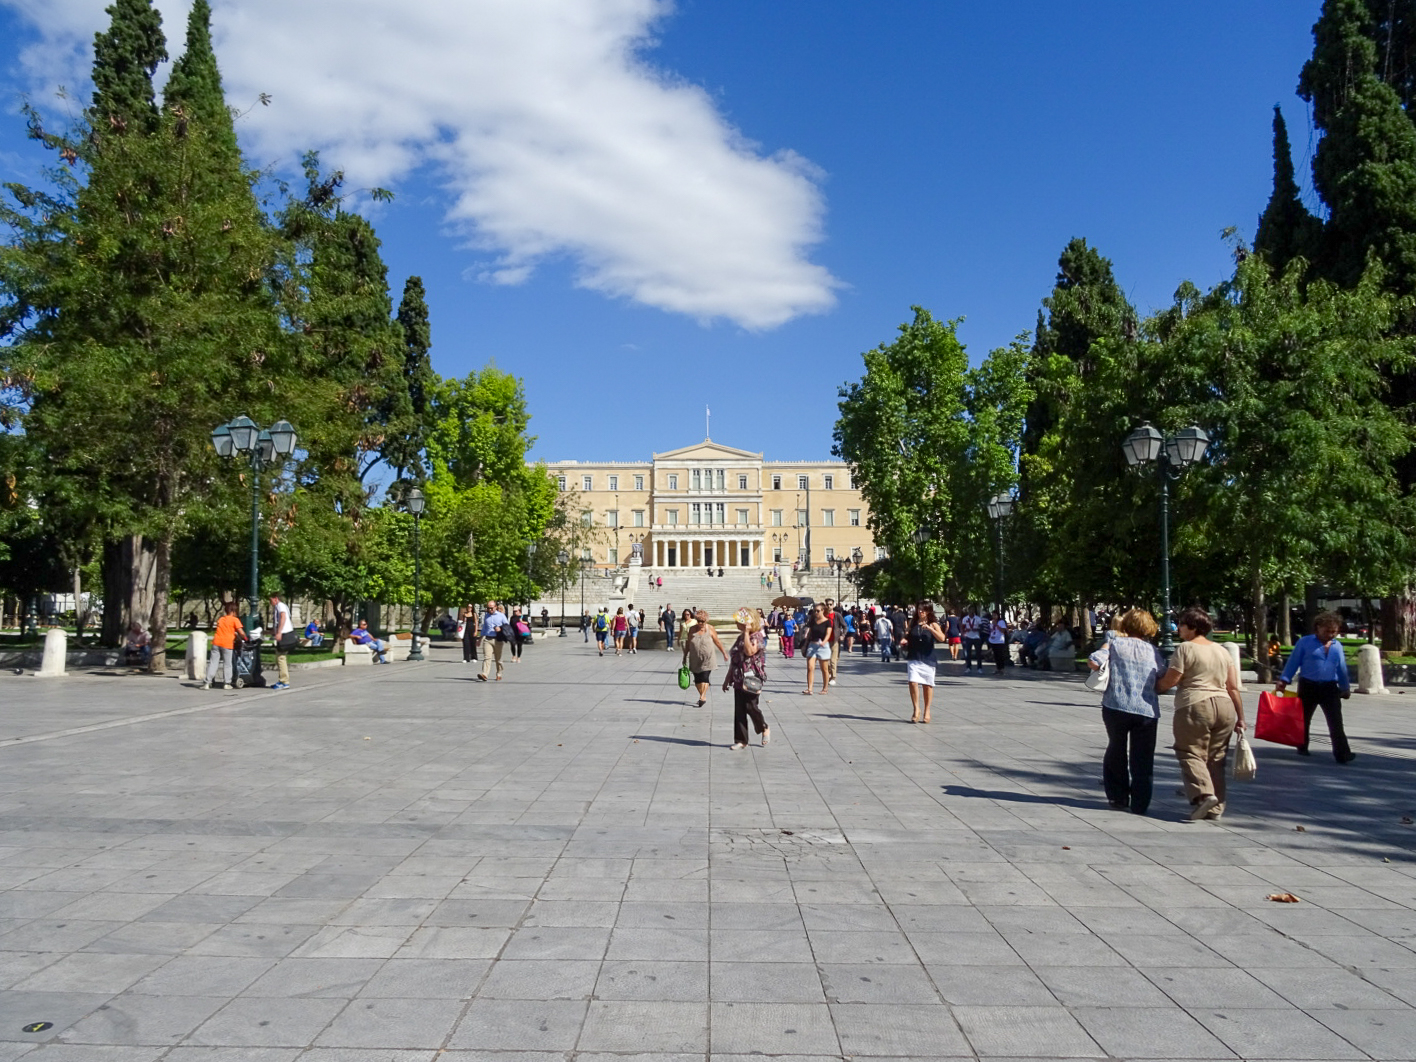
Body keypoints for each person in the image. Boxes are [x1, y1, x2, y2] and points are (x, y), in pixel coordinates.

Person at [1156, 606, 1246, 820]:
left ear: (1193, 628)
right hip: (1224, 705)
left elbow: (1172, 680)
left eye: (1182, 625)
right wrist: (1241, 716)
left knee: (1189, 751)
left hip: (1195, 704)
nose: (1178, 629)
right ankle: (1216, 808)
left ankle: (1204, 794)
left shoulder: (1186, 648)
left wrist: (1156, 687)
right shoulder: (1222, 651)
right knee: (1216, 757)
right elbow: (1233, 686)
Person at [1088, 609, 1167, 815]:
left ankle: (1118, 796)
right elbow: (1162, 676)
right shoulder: (1153, 651)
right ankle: (1141, 802)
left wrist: (1106, 644)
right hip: (1146, 710)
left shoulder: (1115, 644)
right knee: (1143, 757)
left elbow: (1094, 662)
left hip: (1116, 705)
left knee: (1116, 749)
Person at [1276, 612, 1355, 763]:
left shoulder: (1337, 646)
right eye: (1327, 631)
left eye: (1334, 631)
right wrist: (1284, 680)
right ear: (1318, 628)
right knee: (1304, 719)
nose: (1331, 635)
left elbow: (1342, 668)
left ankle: (1342, 754)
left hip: (1330, 688)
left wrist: (1345, 687)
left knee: (1336, 721)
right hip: (1308, 685)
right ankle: (1302, 745)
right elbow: (1293, 662)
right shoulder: (1305, 642)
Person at [724, 609, 770, 750]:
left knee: (751, 706)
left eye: (740, 622)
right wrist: (727, 678)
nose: (738, 624)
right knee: (739, 710)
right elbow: (735, 660)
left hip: (752, 678)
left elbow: (750, 651)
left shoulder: (757, 636)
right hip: (738, 677)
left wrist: (746, 633)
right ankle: (741, 740)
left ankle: (764, 727)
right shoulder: (740, 638)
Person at [904, 601, 946, 723]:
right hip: (914, 656)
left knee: (927, 685)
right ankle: (916, 709)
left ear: (928, 611)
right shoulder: (912, 622)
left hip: (928, 657)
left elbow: (942, 638)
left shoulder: (933, 624)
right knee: (912, 682)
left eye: (923, 610)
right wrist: (904, 639)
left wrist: (930, 629)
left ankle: (927, 711)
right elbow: (906, 634)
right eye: (919, 609)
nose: (920, 612)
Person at [682, 609, 728, 707]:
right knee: (697, 679)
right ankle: (701, 694)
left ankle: (702, 696)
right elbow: (688, 643)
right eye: (698, 621)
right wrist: (685, 655)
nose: (700, 623)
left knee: (705, 677)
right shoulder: (692, 629)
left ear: (706, 621)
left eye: (702, 621)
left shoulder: (710, 628)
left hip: (708, 658)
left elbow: (717, 641)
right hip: (695, 658)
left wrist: (724, 653)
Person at [201, 601, 246, 689]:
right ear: (233, 611)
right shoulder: (235, 620)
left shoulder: (221, 619)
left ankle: (207, 682)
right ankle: (227, 683)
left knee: (213, 663)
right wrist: (245, 638)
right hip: (227, 644)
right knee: (227, 664)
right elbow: (241, 632)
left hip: (216, 642)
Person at [803, 602, 834, 695]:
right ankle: (810, 689)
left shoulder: (828, 622)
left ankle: (825, 688)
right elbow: (809, 632)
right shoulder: (812, 621)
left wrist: (824, 642)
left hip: (823, 646)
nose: (816, 613)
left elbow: (828, 634)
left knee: (824, 669)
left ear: (823, 611)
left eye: (818, 611)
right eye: (814, 611)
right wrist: (805, 640)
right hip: (812, 645)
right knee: (810, 667)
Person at [269, 593, 295, 690]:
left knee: (281, 658)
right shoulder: (280, 606)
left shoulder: (280, 606)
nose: (270, 602)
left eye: (271, 599)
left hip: (285, 634)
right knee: (280, 657)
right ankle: (283, 680)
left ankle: (284, 681)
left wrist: (279, 632)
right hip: (284, 633)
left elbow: (283, 617)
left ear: (275, 599)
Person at [479, 601, 510, 680]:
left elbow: (507, 626)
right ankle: (485, 674)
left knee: (498, 659)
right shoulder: (486, 616)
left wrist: (500, 628)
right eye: (488, 608)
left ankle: (499, 673)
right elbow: (484, 628)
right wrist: (480, 639)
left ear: (495, 607)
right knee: (487, 657)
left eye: (491, 608)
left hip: (498, 640)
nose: (490, 610)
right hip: (488, 639)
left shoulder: (501, 616)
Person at [961, 606, 983, 673]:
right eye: (970, 610)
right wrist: (964, 632)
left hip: (976, 637)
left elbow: (981, 628)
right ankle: (968, 667)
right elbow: (962, 627)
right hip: (968, 637)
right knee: (968, 653)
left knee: (978, 653)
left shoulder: (978, 619)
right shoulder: (965, 619)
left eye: (972, 610)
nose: (971, 612)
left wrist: (976, 629)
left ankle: (979, 668)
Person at [824, 598, 841, 686]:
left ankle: (833, 677)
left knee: (833, 660)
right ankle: (829, 672)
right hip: (825, 640)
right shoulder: (824, 615)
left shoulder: (837, 615)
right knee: (825, 660)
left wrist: (842, 635)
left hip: (834, 640)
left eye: (831, 604)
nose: (829, 606)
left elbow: (844, 626)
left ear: (833, 605)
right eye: (828, 604)